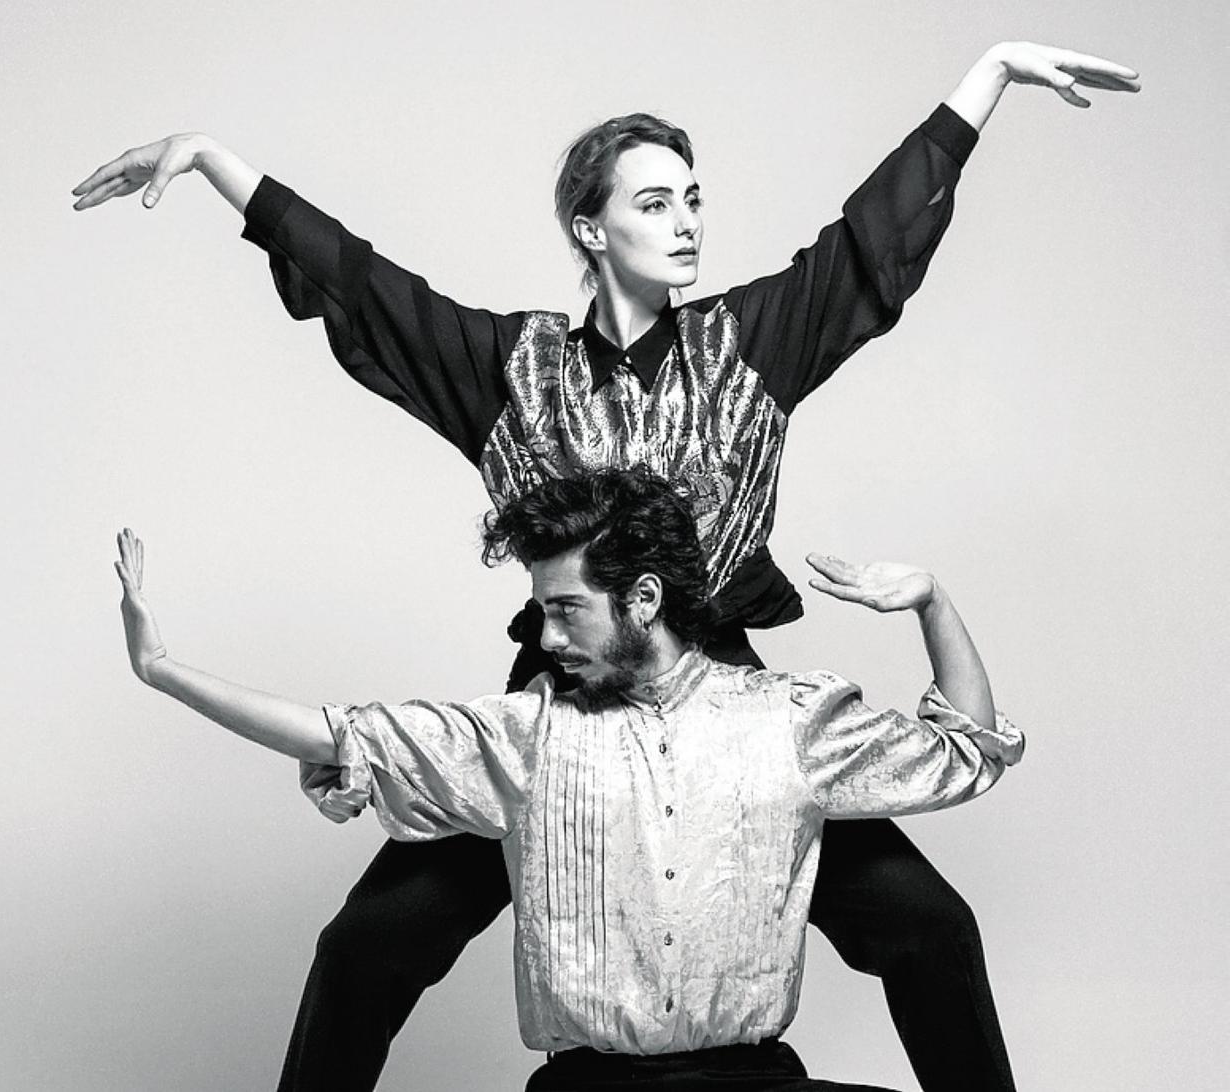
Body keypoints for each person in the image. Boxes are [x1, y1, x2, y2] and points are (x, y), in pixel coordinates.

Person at [77, 41, 1136, 1092]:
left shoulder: (748, 344)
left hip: (724, 713)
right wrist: (213, 161)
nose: (686, 224)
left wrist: (989, 77)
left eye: (693, 201)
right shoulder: (511, 368)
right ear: (591, 228)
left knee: (929, 929)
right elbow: (364, 286)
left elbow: (866, 250)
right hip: (564, 713)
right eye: (655, 203)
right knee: (365, 948)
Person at [113, 468, 1024, 1092]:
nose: (544, 638)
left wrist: (933, 603)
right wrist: (164, 672)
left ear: (643, 600)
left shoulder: (787, 720)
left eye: (564, 610)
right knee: (361, 944)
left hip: (757, 1080)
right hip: (591, 1090)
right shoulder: (532, 734)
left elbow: (967, 753)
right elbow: (344, 732)